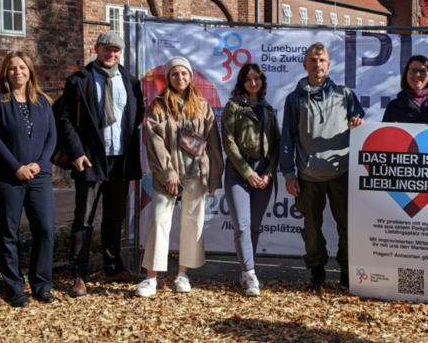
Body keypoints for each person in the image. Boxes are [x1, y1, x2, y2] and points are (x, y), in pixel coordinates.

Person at [56, 31, 145, 297]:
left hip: (120, 159)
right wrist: (76, 152)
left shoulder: (130, 81)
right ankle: (78, 274)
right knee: (84, 219)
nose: (112, 54)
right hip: (90, 159)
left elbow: (137, 115)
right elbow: (65, 119)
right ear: (96, 49)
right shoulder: (79, 80)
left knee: (115, 217)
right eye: (107, 49)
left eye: (116, 50)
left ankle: (113, 266)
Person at [136, 57, 224, 297]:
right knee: (159, 222)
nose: (180, 78)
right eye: (175, 74)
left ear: (190, 76)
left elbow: (213, 144)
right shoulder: (158, 106)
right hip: (167, 177)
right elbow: (154, 142)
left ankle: (182, 274)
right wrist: (168, 174)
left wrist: (214, 177)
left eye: (184, 73)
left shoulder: (203, 106)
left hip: (196, 175)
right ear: (169, 77)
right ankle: (151, 277)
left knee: (192, 222)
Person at [280, 42, 365, 290]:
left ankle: (348, 271)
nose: (317, 64)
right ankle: (317, 272)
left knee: (347, 226)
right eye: (313, 60)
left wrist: (358, 121)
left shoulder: (344, 93)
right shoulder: (294, 99)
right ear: (305, 64)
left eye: (322, 60)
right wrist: (288, 174)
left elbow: (358, 120)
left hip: (342, 173)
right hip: (308, 176)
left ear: (329, 64)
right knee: (312, 229)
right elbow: (287, 138)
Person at [0, 51, 57, 307]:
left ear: (30, 71)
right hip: (8, 178)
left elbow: (52, 137)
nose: (18, 72)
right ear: (6, 72)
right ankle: (15, 288)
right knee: (9, 234)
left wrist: (39, 165)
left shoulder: (43, 102)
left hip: (39, 177)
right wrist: (16, 167)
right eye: (12, 68)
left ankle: (41, 285)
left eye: (22, 67)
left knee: (46, 229)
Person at [220, 63, 280, 297]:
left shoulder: (269, 110)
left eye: (257, 79)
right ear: (242, 82)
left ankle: (246, 271)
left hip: (263, 171)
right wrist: (247, 172)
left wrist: (268, 173)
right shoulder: (233, 107)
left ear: (262, 82)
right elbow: (228, 143)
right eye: (248, 79)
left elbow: (276, 145)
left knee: (254, 227)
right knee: (242, 226)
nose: (253, 83)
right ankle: (250, 273)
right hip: (238, 172)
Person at [381, 54, 428, 125]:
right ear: (406, 74)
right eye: (413, 70)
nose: (417, 75)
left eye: (422, 71)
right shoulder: (394, 106)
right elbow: (383, 137)